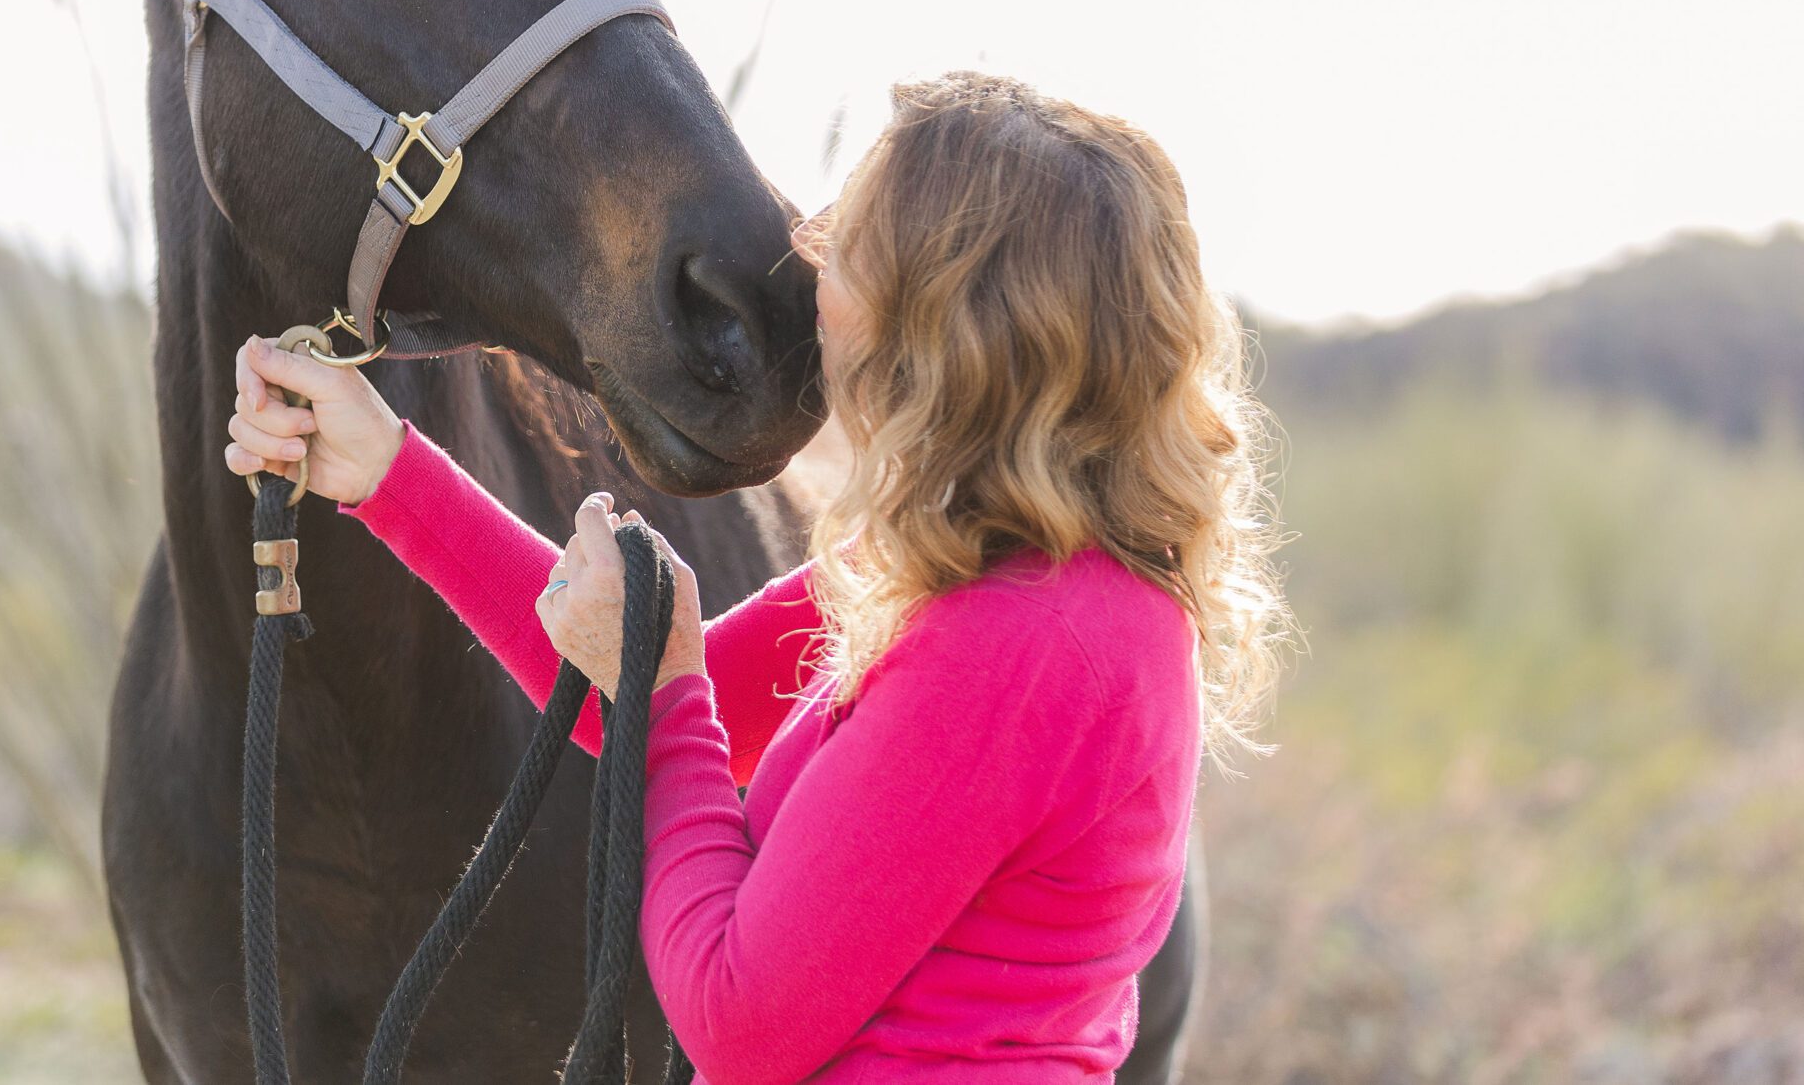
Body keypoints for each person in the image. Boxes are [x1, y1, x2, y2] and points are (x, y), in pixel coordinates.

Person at [225, 71, 1292, 1084]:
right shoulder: (978, 567)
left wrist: (669, 681)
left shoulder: (1021, 647)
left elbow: (736, 1020)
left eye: (848, 245)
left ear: (947, 322)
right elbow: (633, 707)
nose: (812, 273)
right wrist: (389, 474)